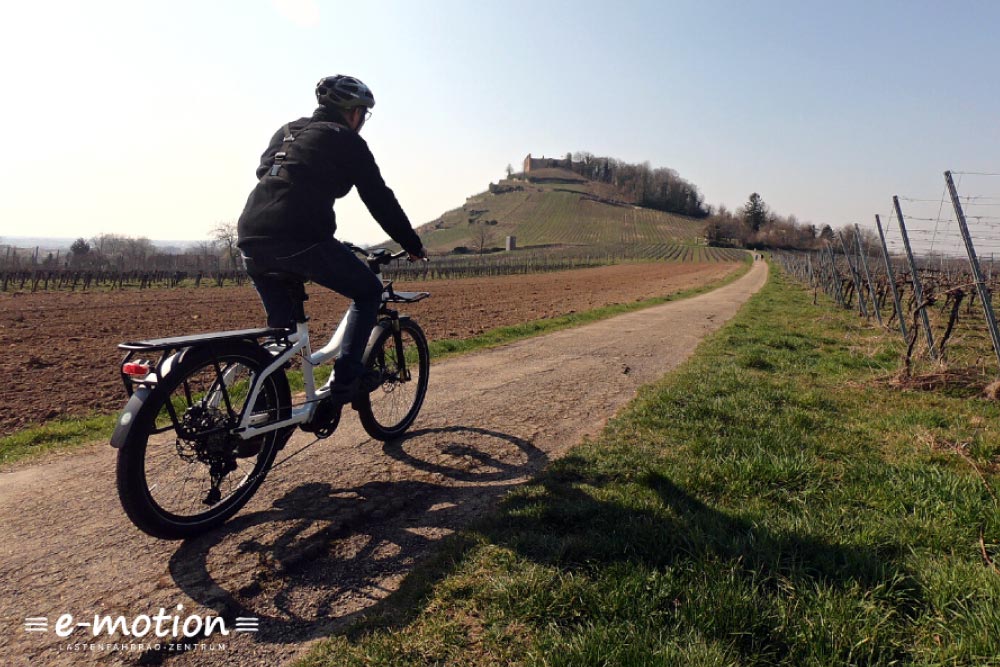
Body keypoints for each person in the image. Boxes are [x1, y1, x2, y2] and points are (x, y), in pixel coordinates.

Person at [237, 75, 426, 404]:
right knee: (368, 291)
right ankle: (345, 382)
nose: (362, 121)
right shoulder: (346, 139)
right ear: (353, 112)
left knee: (280, 338)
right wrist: (411, 243)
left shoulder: (286, 131)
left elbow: (268, 174)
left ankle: (265, 416)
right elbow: (378, 197)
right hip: (300, 238)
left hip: (251, 237)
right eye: (363, 114)